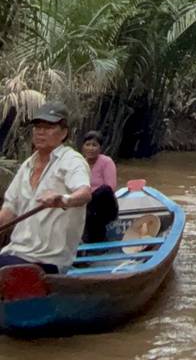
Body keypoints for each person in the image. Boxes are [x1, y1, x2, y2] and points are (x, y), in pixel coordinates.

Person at [0, 103, 91, 274]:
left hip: (49, 260)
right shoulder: (27, 166)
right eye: (38, 127)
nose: (41, 132)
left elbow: (85, 193)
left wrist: (63, 199)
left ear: (64, 133)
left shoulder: (72, 161)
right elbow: (8, 212)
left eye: (48, 127)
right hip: (16, 252)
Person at [81, 131, 119, 243]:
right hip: (86, 206)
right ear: (82, 147)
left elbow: (110, 187)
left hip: (105, 206)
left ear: (100, 148)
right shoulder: (80, 163)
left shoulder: (107, 162)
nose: (91, 148)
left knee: (104, 190)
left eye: (94, 145)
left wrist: (89, 197)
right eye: (87, 145)